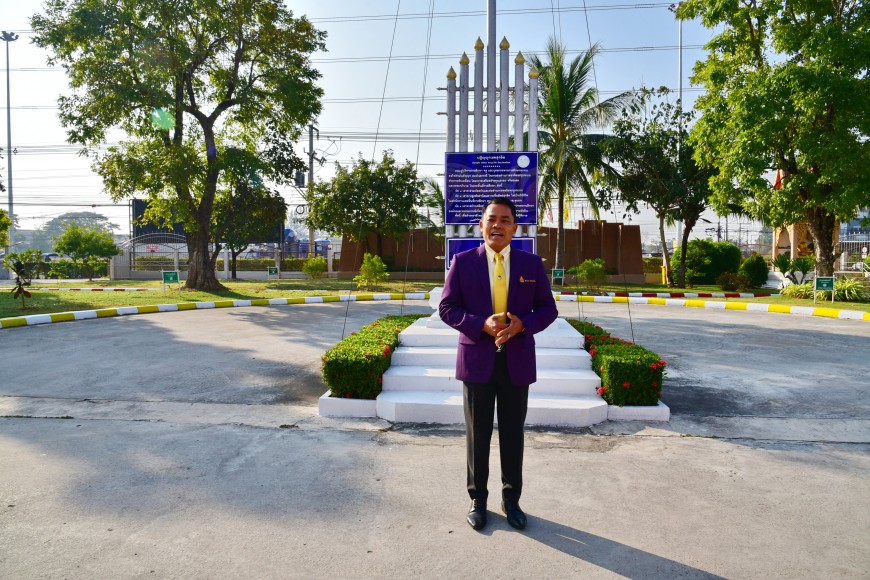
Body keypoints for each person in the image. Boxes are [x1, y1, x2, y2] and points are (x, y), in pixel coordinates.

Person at [439, 197, 558, 531]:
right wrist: (480, 324)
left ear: (514, 228)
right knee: (477, 436)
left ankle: (511, 500)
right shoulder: (463, 262)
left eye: (505, 220)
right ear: (481, 225)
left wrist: (523, 325)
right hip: (477, 361)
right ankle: (478, 500)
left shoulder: (531, 264)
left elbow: (548, 309)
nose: (498, 225)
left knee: (512, 435)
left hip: (516, 362)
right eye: (492, 219)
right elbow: (447, 308)